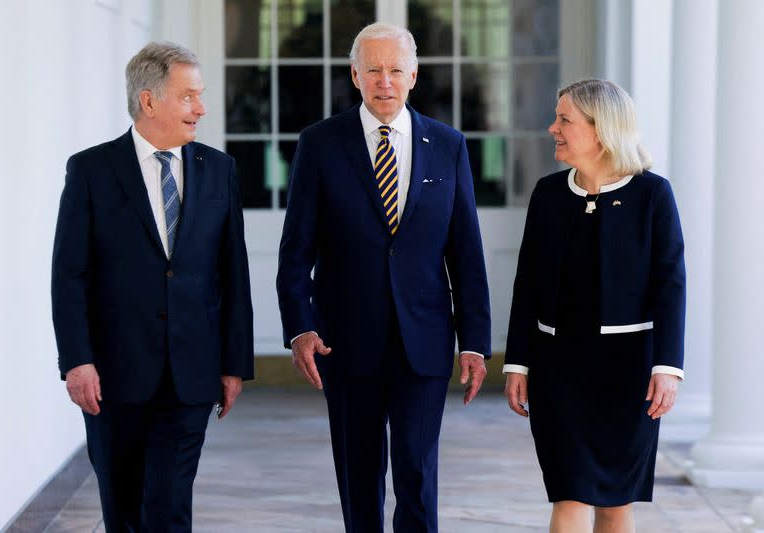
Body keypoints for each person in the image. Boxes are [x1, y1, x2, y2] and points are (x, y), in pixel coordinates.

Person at [276, 22, 491, 533]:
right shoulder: (320, 145)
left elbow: (466, 253)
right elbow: (294, 253)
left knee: (417, 472)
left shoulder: (448, 145)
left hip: (425, 340)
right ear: (355, 75)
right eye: (373, 69)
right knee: (359, 473)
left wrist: (476, 342)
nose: (385, 80)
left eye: (396, 69)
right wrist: (300, 327)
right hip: (345, 344)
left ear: (414, 75)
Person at [51, 41, 254, 532]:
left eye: (200, 96)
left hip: (191, 375)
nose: (201, 108)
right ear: (149, 101)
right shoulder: (92, 171)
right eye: (188, 97)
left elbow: (234, 274)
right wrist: (77, 360)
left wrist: (234, 365)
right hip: (114, 376)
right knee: (122, 509)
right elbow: (68, 275)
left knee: (168, 507)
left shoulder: (218, 170)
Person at [503, 79, 685, 533]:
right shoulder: (548, 194)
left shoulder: (652, 195)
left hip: (628, 374)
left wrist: (668, 366)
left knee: (616, 502)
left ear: (601, 129)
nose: (553, 128)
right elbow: (526, 283)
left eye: (564, 119)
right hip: (557, 370)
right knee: (569, 492)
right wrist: (518, 364)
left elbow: (671, 285)